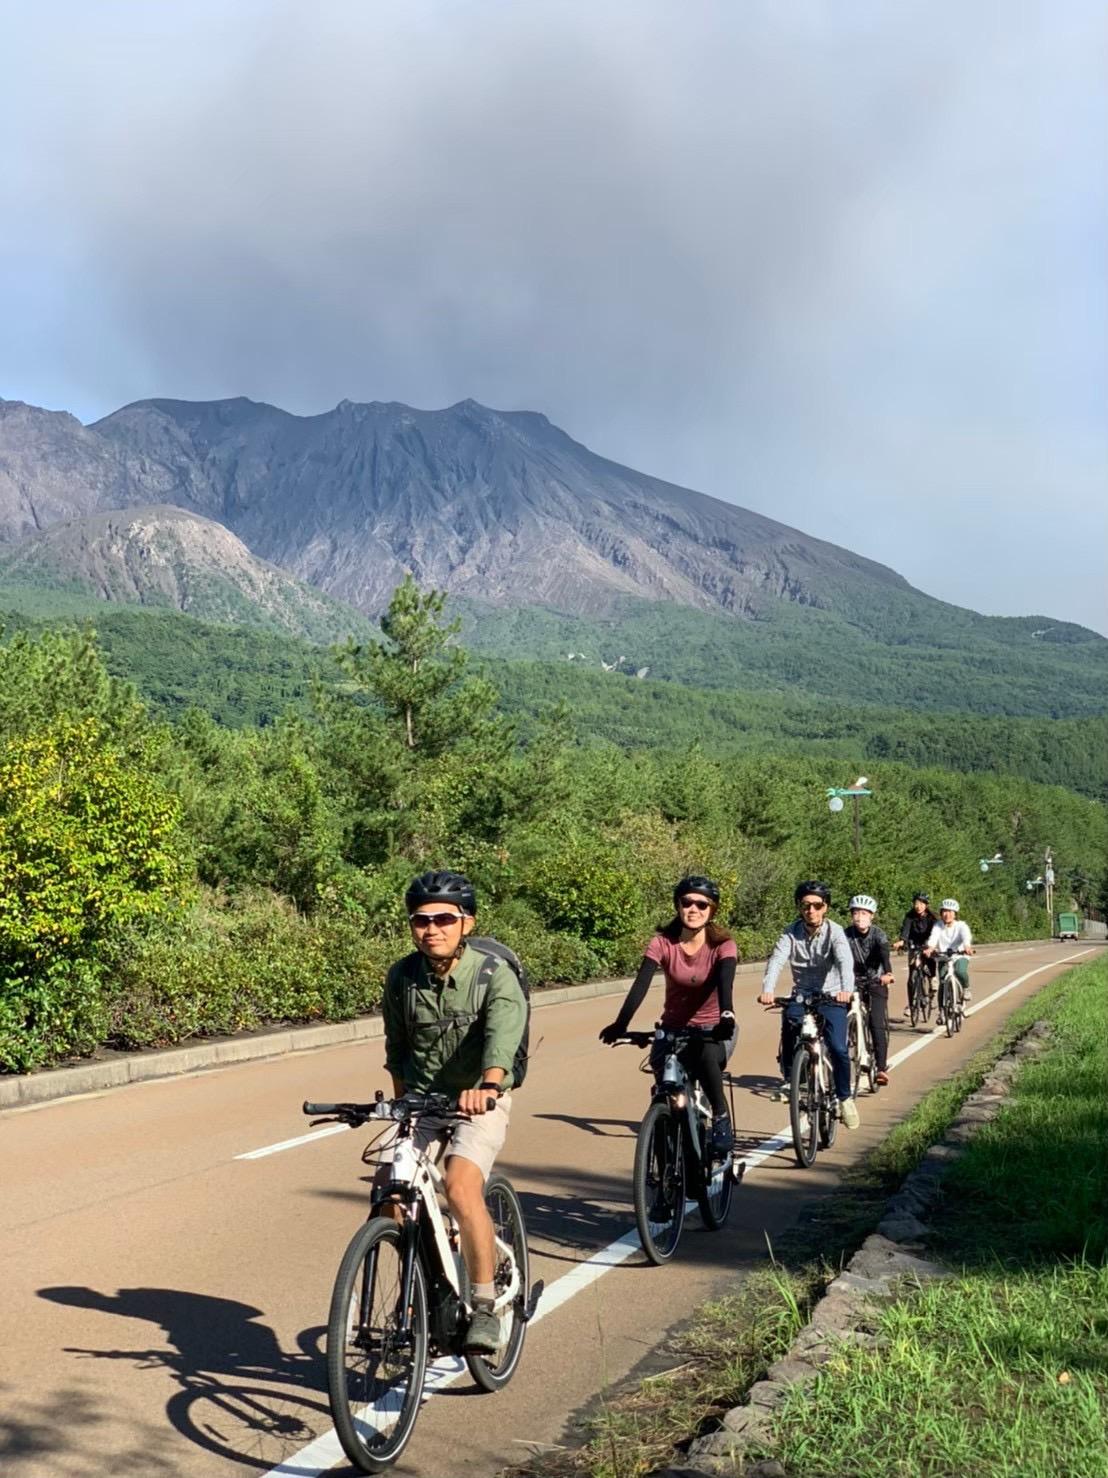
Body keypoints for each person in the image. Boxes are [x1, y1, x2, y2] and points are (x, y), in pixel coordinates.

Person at [379, 870, 528, 1355]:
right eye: (421, 920)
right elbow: (397, 1049)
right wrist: (399, 1105)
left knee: (461, 1186)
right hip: (421, 1103)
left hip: (478, 1098)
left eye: (445, 918)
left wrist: (487, 1084)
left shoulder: (491, 975)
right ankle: (429, 1282)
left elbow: (502, 1039)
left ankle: (484, 1306)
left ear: (467, 923)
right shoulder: (402, 977)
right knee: (389, 1192)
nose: (432, 929)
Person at [600, 876, 738, 1155]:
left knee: (706, 1057)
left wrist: (726, 1016)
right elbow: (641, 985)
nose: (694, 909)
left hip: (714, 1027)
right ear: (678, 905)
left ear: (712, 910)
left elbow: (726, 984)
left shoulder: (723, 945)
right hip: (673, 1028)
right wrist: (620, 1024)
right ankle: (665, 1167)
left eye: (702, 904)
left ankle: (721, 1117)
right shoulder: (663, 944)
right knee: (664, 1085)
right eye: (687, 902)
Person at [758, 881, 860, 1129]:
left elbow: (845, 961)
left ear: (825, 907)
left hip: (832, 995)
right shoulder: (790, 932)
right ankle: (790, 1080)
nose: (811, 910)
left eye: (817, 905)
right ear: (799, 907)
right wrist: (768, 989)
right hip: (803, 993)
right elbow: (777, 960)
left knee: (838, 1048)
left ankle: (845, 1099)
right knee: (790, 1024)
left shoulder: (835, 932)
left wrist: (847, 990)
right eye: (806, 905)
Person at [844, 894, 895, 1086]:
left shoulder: (878, 935)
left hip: (876, 981)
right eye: (856, 912)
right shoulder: (845, 935)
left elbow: (884, 956)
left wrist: (888, 973)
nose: (859, 917)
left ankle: (881, 1068)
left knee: (876, 1022)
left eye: (864, 913)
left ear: (871, 916)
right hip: (852, 982)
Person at [923, 898, 974, 1021]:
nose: (947, 914)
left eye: (951, 911)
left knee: (960, 971)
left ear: (955, 914)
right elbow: (933, 938)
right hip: (943, 957)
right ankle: (942, 1012)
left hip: (959, 955)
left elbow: (966, 936)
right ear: (941, 913)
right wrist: (930, 948)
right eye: (944, 911)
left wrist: (967, 946)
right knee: (942, 982)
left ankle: (966, 989)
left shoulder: (961, 925)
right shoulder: (938, 926)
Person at [893, 892, 938, 1017]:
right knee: (912, 977)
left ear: (926, 905)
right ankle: (911, 1005)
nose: (918, 906)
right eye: (916, 903)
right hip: (914, 946)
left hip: (928, 944)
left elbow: (936, 932)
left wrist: (931, 945)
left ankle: (932, 981)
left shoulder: (932, 918)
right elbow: (905, 930)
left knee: (930, 961)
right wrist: (902, 940)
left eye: (921, 903)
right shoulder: (910, 916)